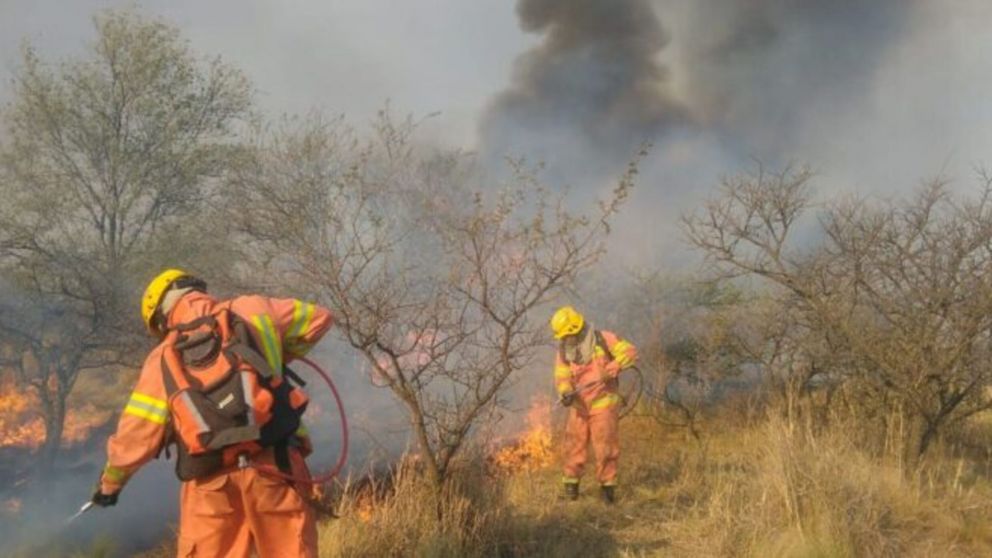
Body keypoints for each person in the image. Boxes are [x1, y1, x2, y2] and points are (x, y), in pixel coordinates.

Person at [90, 269, 332, 558]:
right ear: (197, 289)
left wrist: (110, 485)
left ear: (161, 318)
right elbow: (320, 319)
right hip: (276, 463)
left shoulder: (162, 358)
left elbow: (136, 437)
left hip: (210, 484)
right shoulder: (253, 310)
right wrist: (274, 358)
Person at [550, 305, 637, 504]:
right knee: (573, 445)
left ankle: (607, 492)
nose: (564, 339)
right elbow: (562, 375)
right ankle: (571, 489)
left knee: (605, 448)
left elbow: (630, 352)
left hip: (603, 403)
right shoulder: (564, 350)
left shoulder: (603, 339)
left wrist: (613, 367)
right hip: (579, 406)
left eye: (566, 335)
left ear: (575, 330)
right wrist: (565, 391)